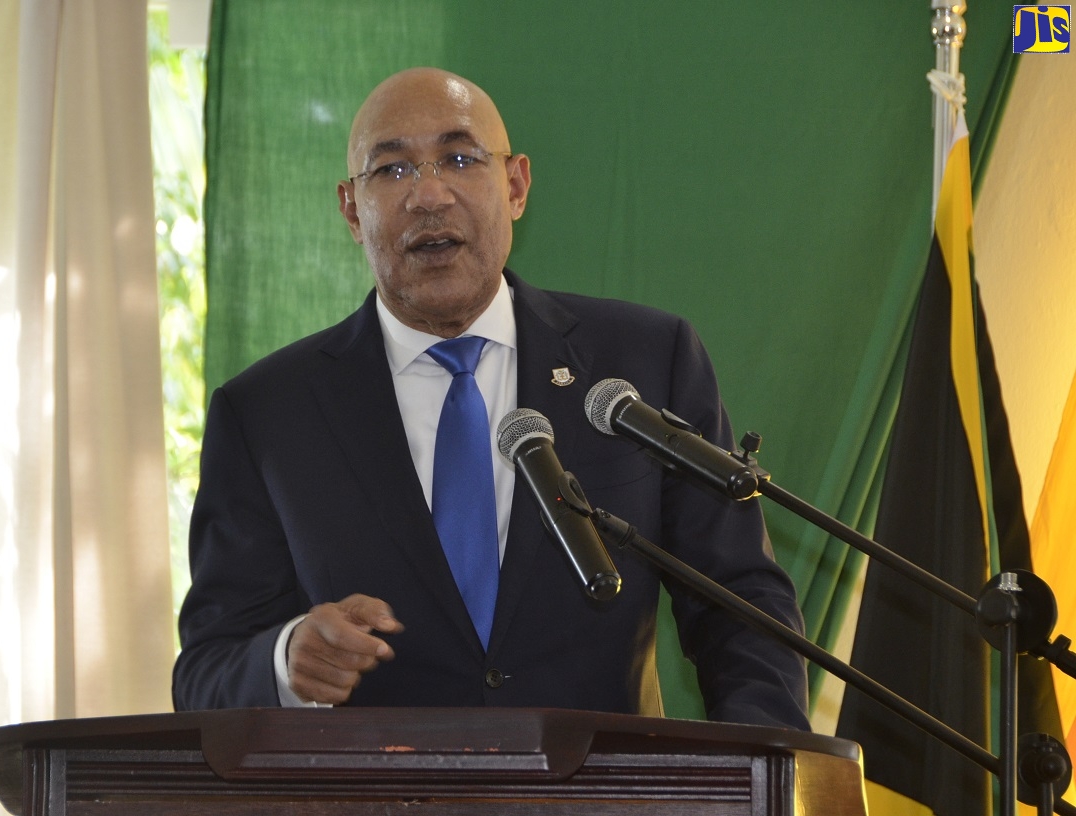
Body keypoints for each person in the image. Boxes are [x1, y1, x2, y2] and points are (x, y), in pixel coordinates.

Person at [172, 67, 809, 730]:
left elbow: (741, 606)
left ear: (515, 185)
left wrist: (761, 774)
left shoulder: (644, 361)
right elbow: (205, 671)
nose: (428, 194)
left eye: (459, 158)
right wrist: (285, 661)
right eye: (390, 171)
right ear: (350, 210)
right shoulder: (268, 413)